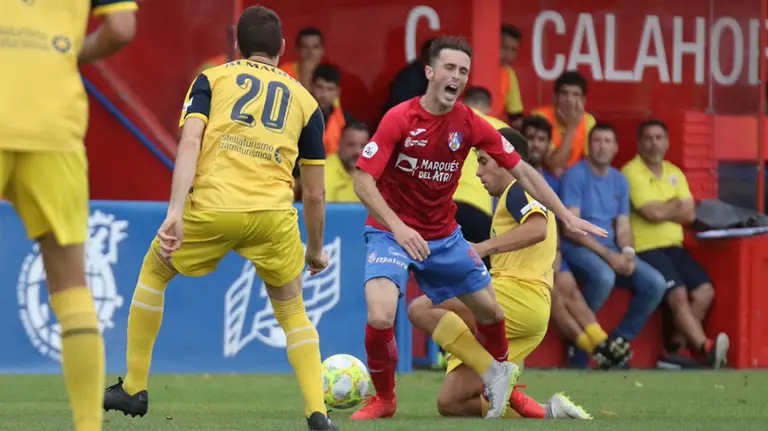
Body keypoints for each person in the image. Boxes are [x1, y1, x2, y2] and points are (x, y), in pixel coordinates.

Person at [101, 6, 338, 431]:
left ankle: (134, 387)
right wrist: (316, 249)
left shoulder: (213, 78)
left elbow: (190, 141)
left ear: (236, 46)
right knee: (293, 310)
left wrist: (175, 211)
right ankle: (316, 411)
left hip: (213, 207)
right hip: (272, 216)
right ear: (283, 49)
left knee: (154, 272)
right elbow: (316, 192)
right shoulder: (305, 100)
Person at [351, 35, 607, 421]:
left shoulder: (471, 124)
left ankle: (502, 378)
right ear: (430, 72)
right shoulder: (399, 118)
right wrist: (399, 228)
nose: (457, 76)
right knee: (382, 315)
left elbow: (522, 170)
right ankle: (384, 399)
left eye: (464, 71)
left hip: (443, 235)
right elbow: (362, 181)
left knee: (489, 312)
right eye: (450, 68)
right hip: (391, 232)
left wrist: (565, 216)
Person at [1, 2, 137, 430]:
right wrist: (66, 51)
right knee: (72, 288)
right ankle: (86, 425)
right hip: (53, 124)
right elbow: (120, 27)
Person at [408, 127, 591, 421]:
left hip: (518, 298)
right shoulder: (516, 195)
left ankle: (496, 374)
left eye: (483, 161)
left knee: (422, 307)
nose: (478, 172)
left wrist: (482, 248)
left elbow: (538, 228)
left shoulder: (519, 187)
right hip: (527, 310)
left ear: (506, 159)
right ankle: (548, 412)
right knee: (452, 403)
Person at [523, 117, 631, 368]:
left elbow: (557, 221)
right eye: (531, 138)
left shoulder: (552, 180)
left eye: (541, 140)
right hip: (522, 253)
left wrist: (557, 250)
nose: (536, 145)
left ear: (549, 145)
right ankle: (594, 347)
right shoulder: (509, 175)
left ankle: (601, 344)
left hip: (551, 250)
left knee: (569, 287)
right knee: (555, 296)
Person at [622, 120, 728, 369]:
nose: (653, 143)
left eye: (659, 138)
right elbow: (652, 213)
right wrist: (675, 206)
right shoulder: (631, 171)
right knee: (678, 294)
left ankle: (675, 351)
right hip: (646, 249)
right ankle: (707, 347)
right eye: (648, 138)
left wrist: (666, 207)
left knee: (705, 291)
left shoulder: (674, 172)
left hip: (675, 247)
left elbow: (690, 214)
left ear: (667, 143)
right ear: (639, 143)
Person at [560, 124, 667, 365]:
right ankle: (580, 342)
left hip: (611, 250)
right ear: (589, 146)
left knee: (656, 284)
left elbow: (624, 226)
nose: (602, 146)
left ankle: (616, 343)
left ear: (616, 147)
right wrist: (609, 256)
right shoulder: (575, 174)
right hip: (578, 246)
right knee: (604, 276)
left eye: (608, 141)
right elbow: (571, 228)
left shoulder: (620, 180)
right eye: (597, 141)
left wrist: (628, 253)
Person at [455, 86, 509, 267]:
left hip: (443, 207)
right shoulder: (500, 128)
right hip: (478, 209)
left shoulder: (449, 121)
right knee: (480, 278)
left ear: (462, 102)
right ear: (488, 108)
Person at [531, 71, 596, 175]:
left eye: (575, 95)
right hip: (542, 176)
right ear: (555, 98)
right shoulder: (540, 117)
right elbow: (553, 165)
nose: (569, 100)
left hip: (573, 177)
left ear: (583, 101)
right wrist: (572, 127)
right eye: (564, 93)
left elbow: (591, 164)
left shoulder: (588, 120)